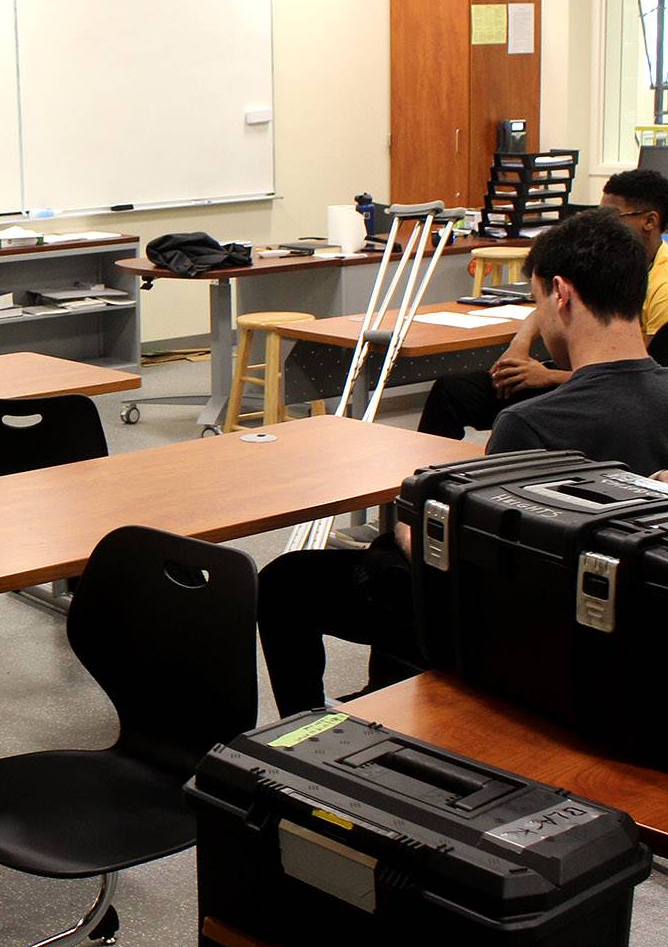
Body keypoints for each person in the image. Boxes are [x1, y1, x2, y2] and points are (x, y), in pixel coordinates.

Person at [258, 209, 668, 715]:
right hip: (635, 624)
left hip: (518, 630)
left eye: (537, 301)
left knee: (287, 581)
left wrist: (411, 524)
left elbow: (462, 556)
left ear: (560, 295)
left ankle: (305, 736)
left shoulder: (532, 424)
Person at [417, 167, 668, 439]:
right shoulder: (607, 260)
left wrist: (547, 377)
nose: (602, 224)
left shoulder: (662, 283)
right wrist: (518, 347)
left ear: (650, 221)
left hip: (606, 386)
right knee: (452, 391)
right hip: (576, 372)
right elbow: (552, 302)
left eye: (611, 216)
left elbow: (637, 379)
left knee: (520, 422)